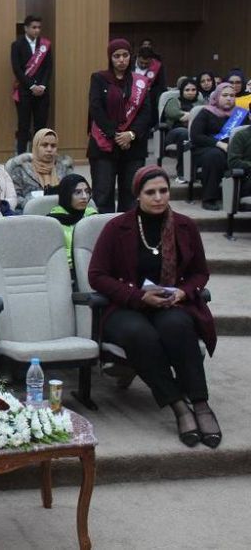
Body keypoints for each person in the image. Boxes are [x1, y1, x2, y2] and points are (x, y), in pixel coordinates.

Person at [88, 166, 220, 448]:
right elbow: (97, 276)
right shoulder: (117, 227)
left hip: (169, 302)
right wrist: (138, 297)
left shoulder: (185, 226)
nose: (158, 197)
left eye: (163, 191)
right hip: (126, 305)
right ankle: (178, 405)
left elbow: (200, 272)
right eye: (151, 192)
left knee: (179, 326)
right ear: (138, 195)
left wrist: (183, 292)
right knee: (140, 335)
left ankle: (200, 403)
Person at [88, 38, 154, 213]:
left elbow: (146, 113)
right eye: (116, 56)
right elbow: (96, 108)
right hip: (104, 144)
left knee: (131, 196)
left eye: (125, 55)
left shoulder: (140, 82)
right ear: (110, 58)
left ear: (130, 57)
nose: (121, 60)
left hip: (133, 146)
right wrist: (116, 135)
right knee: (102, 195)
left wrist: (130, 135)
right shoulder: (99, 78)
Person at [190, 83, 245, 210]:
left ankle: (242, 197)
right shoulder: (206, 112)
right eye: (225, 95)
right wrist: (219, 144)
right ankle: (209, 198)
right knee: (215, 156)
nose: (229, 98)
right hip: (206, 149)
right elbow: (196, 136)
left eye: (232, 95)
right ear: (216, 96)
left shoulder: (240, 114)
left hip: (234, 150)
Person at [10, 15, 53, 154]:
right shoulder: (17, 45)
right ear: (26, 28)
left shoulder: (45, 45)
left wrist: (42, 86)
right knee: (23, 127)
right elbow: (17, 69)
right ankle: (21, 156)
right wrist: (32, 86)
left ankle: (39, 155)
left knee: (41, 127)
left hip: (42, 92)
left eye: (39, 27)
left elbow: (48, 68)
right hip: (24, 92)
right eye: (34, 27)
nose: (37, 30)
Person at [8, 128, 74, 210]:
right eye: (45, 145)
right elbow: (14, 197)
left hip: (61, 211)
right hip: (31, 213)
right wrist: (32, 203)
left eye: (53, 146)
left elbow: (73, 193)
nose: (49, 149)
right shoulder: (21, 170)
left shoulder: (64, 169)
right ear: (36, 146)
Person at [47, 174, 98, 276]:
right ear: (66, 195)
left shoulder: (93, 216)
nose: (84, 197)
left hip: (95, 268)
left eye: (87, 191)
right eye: (77, 192)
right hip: (65, 272)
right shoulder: (53, 222)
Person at [163, 77, 201, 171]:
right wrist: (193, 115)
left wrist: (187, 116)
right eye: (187, 90)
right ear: (182, 91)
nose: (190, 92)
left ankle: (194, 170)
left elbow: (205, 116)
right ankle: (182, 171)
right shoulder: (174, 101)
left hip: (195, 132)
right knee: (184, 133)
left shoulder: (201, 102)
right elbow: (172, 113)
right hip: (175, 132)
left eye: (193, 90)